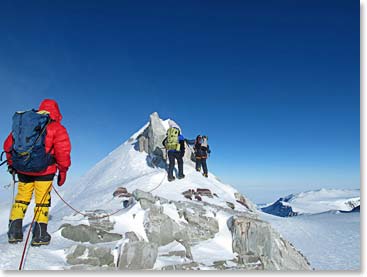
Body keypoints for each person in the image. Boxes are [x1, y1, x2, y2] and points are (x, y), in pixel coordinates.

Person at [3, 99, 71, 246]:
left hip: (23, 169)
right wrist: (63, 171)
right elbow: (63, 152)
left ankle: (14, 232)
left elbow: (8, 145)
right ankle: (40, 235)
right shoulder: (57, 128)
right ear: (56, 111)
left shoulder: (26, 125)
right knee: (42, 201)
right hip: (45, 171)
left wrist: (12, 164)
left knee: (22, 197)